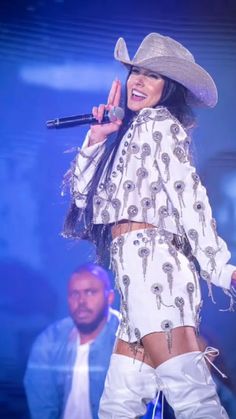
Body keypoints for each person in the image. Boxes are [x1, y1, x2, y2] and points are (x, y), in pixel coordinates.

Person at [63, 33, 236, 418]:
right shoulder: (131, 131)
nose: (137, 82)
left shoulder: (160, 124)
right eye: (135, 72)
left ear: (168, 87)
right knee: (118, 405)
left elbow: (188, 194)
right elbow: (83, 199)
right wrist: (97, 137)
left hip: (156, 273)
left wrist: (219, 267)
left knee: (193, 400)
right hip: (135, 279)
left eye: (151, 75)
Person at [24, 263, 120, 419]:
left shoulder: (127, 340)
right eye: (74, 294)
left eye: (90, 292)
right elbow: (41, 406)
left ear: (109, 297)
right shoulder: (49, 341)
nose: (81, 301)